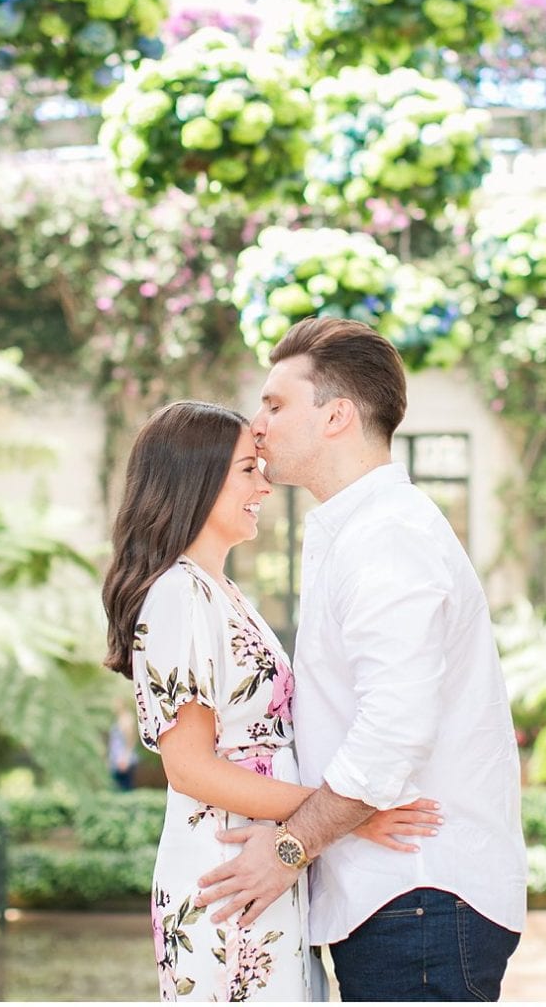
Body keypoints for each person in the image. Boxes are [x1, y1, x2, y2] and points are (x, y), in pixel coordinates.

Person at [193, 318, 528, 1002]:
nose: (257, 425)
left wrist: (287, 850)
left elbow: (392, 735)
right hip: (399, 900)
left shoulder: (387, 538)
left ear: (337, 416)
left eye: (277, 405)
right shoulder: (359, 531)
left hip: (420, 899)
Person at [101, 400, 443, 1002]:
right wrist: (349, 813)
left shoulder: (219, 590)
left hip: (262, 860)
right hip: (227, 871)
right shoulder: (177, 594)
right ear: (196, 481)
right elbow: (189, 768)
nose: (265, 483)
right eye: (247, 470)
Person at [107, 702, 138, 791]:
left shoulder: (126, 720)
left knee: (124, 789)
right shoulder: (118, 719)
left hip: (123, 760)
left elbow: (131, 741)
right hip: (116, 760)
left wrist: (125, 758)